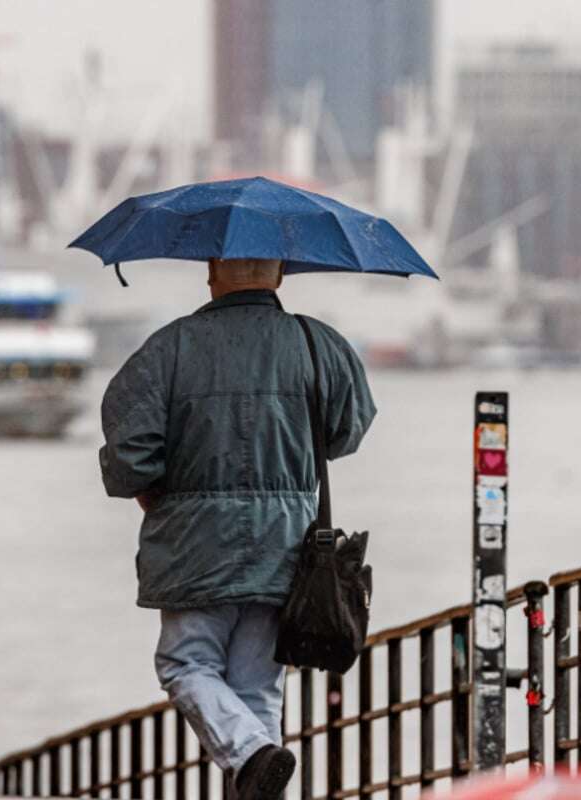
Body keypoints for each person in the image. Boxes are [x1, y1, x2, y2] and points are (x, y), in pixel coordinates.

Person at [98, 258, 376, 800]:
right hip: (290, 549)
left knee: (186, 663)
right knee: (257, 692)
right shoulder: (320, 345)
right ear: (279, 275)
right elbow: (347, 431)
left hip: (192, 547)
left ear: (211, 273)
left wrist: (157, 498)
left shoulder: (166, 350)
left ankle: (250, 754)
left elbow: (130, 457)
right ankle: (256, 757)